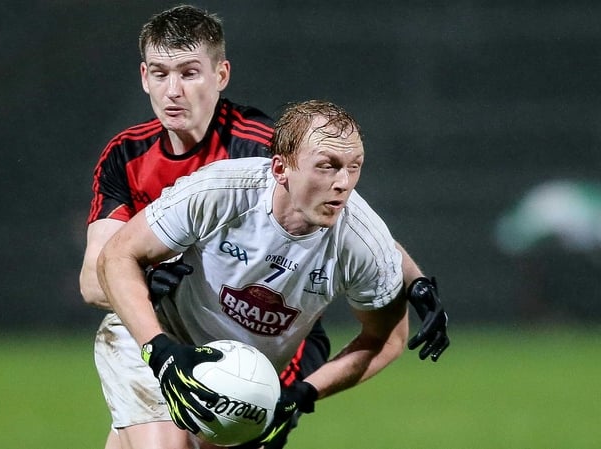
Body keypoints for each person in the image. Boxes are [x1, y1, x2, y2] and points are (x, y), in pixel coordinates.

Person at [80, 6, 448, 449]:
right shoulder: (131, 157)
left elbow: (344, 215)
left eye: (189, 73)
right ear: (144, 77)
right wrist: (155, 288)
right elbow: (99, 274)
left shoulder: (263, 151)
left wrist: (414, 282)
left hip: (267, 331)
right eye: (160, 73)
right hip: (166, 321)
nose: (173, 90)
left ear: (221, 74)